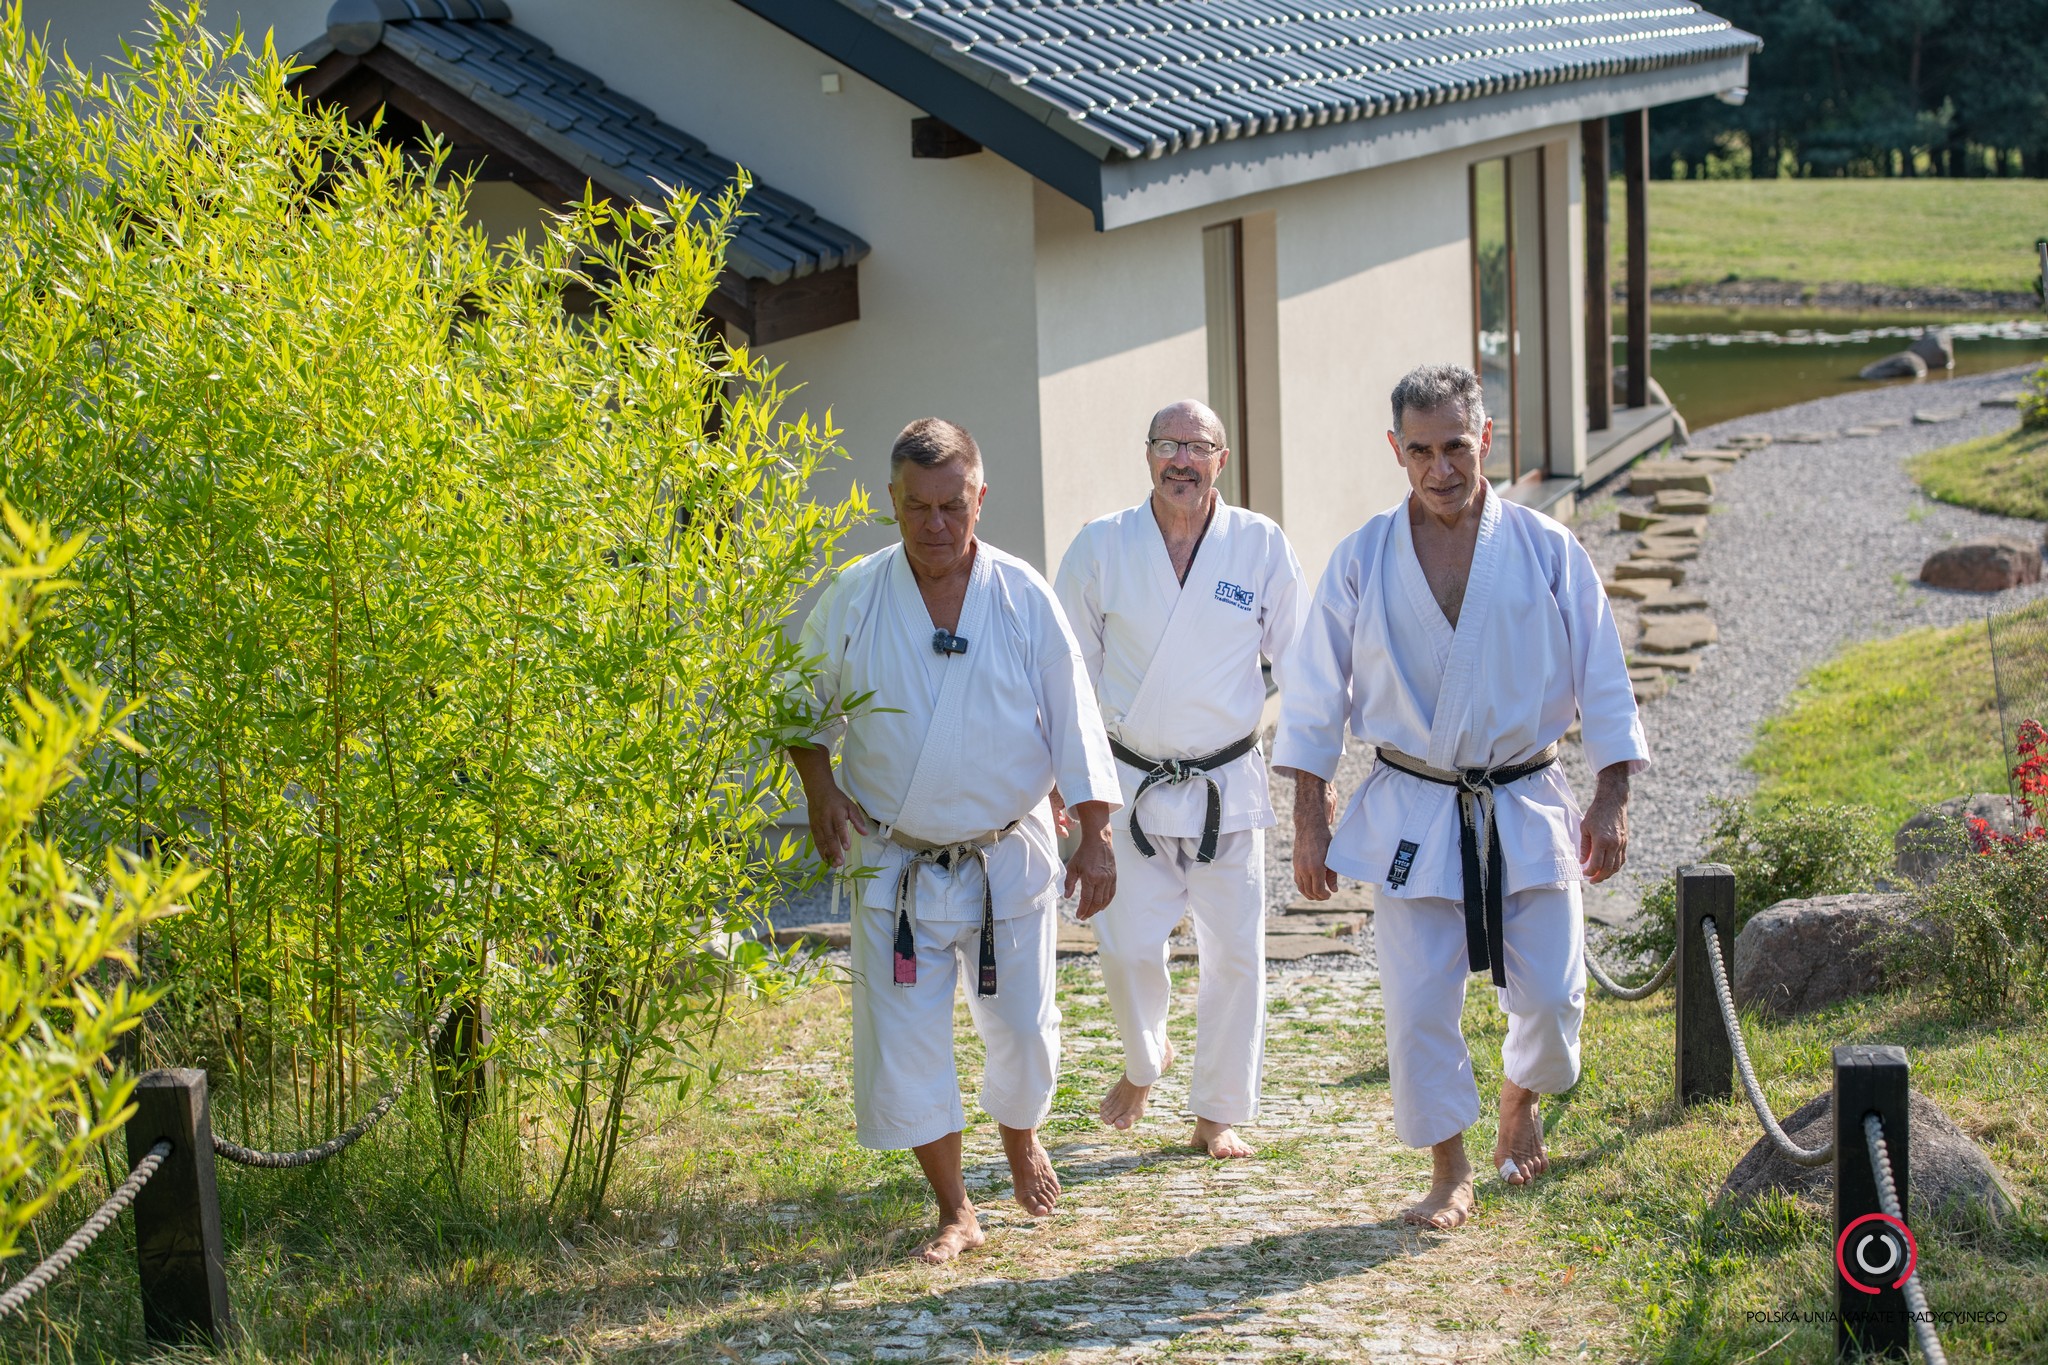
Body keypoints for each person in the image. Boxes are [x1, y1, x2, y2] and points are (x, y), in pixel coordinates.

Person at [1273, 364, 1646, 1231]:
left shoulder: (1547, 547)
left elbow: (1604, 673)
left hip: (1524, 793)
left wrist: (1611, 793)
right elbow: (1315, 693)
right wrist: (1309, 815)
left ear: (1487, 438)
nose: (1440, 468)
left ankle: (1522, 1093)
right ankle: (1450, 1168)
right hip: (1413, 800)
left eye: (1455, 447)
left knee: (1553, 997)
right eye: (1421, 451)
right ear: (1395, 450)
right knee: (1416, 1007)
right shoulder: (1363, 556)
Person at [787, 417, 1121, 1264]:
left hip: (1005, 854)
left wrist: (1095, 831)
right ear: (891, 502)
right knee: (904, 1038)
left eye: (953, 505)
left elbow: (1073, 714)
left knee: (1025, 1025)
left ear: (980, 497)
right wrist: (820, 786)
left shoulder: (1021, 594)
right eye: (918, 506)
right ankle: (955, 1205)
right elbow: (798, 702)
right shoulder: (856, 595)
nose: (936, 524)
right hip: (894, 859)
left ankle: (1020, 1136)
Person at [1054, 400, 1306, 1159]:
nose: (1182, 461)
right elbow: (1065, 673)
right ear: (1148, 455)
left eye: (1198, 447)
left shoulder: (1259, 544)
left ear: (1221, 459)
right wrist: (1065, 776)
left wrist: (1312, 777)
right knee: (1127, 944)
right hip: (1131, 782)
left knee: (1236, 953)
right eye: (1168, 445)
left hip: (1227, 784)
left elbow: (1302, 662)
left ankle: (1217, 1112)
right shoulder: (1102, 545)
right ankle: (1145, 1057)